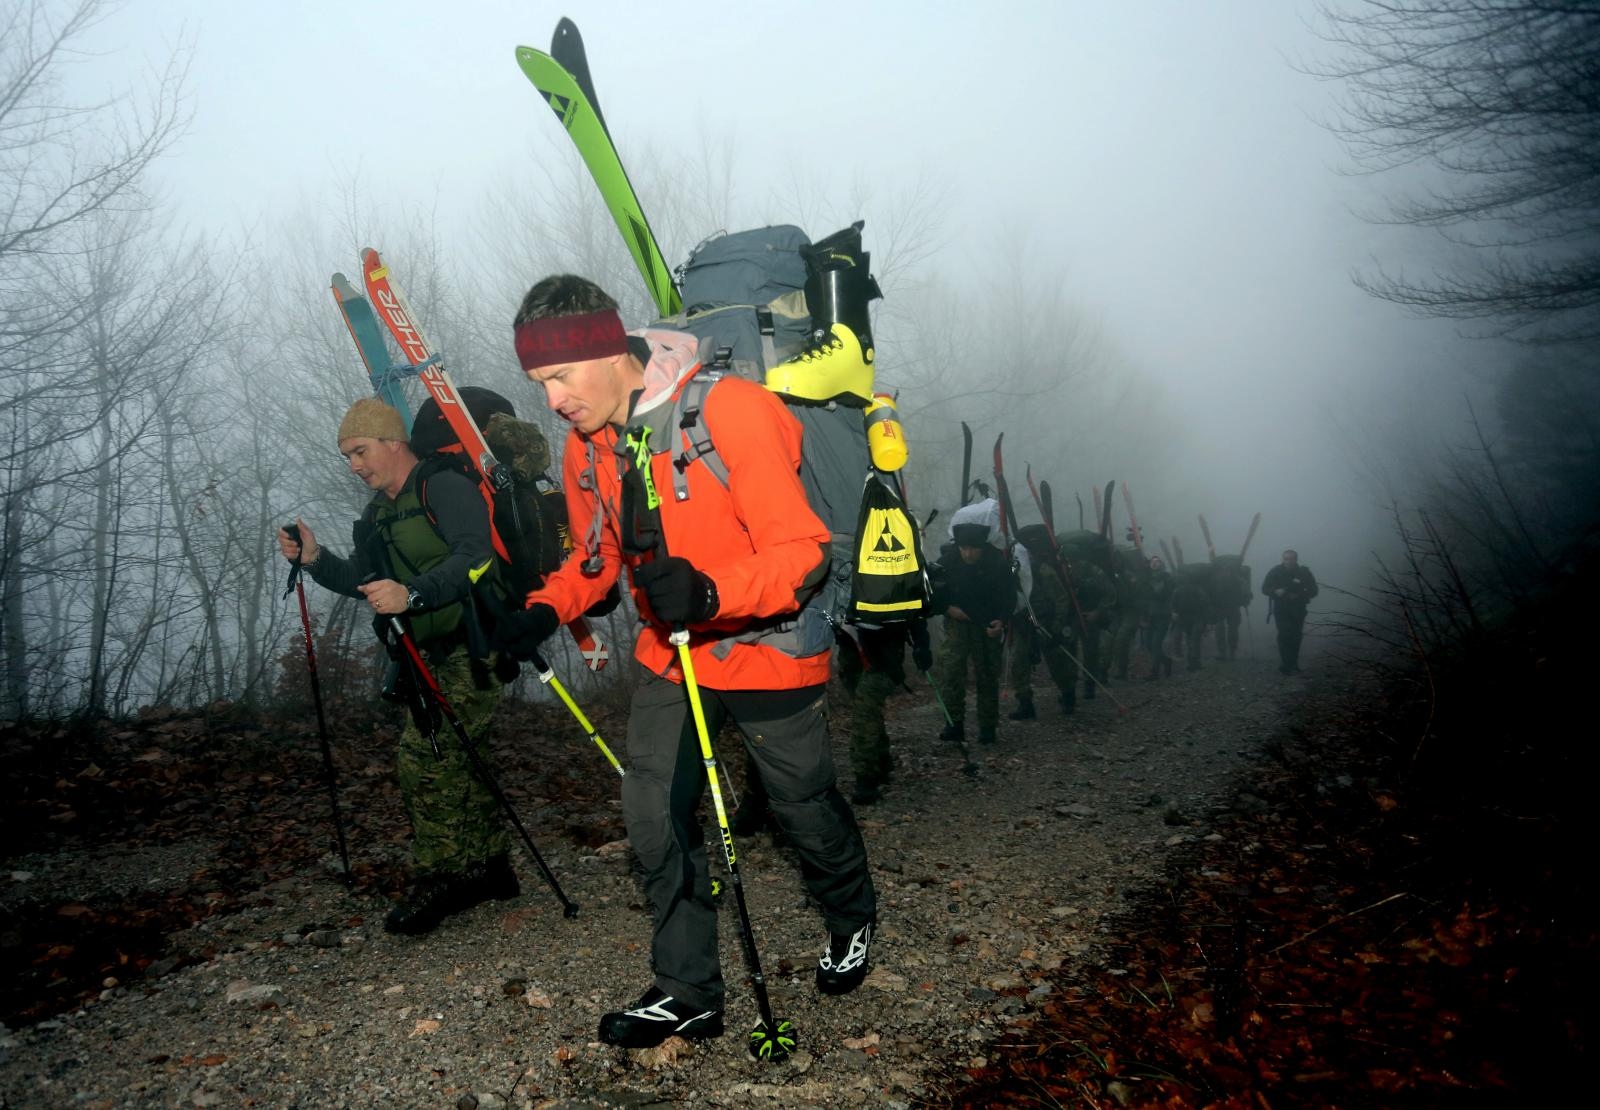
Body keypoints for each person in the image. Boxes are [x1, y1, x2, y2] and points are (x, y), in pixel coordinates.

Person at [494, 275, 877, 1050]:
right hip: (671, 657)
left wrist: (710, 592)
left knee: (803, 809)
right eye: (539, 384)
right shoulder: (586, 447)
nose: (552, 400)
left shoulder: (731, 410)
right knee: (653, 819)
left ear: (609, 349)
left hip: (766, 648)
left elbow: (801, 555)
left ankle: (851, 914)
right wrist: (544, 605)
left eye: (561, 377)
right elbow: (597, 561)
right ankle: (687, 990)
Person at [275, 398, 517, 936]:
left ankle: (444, 874)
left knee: (426, 757)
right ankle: (490, 867)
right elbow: (361, 579)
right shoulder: (378, 513)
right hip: (425, 654)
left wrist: (413, 593)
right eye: (346, 457)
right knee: (460, 756)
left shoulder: (443, 487)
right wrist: (314, 560)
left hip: (476, 642)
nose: (354, 465)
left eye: (360, 451)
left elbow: (476, 557)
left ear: (393, 441)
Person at [933, 520, 1014, 745]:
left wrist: (1001, 621)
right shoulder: (947, 562)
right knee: (951, 673)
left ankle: (988, 727)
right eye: (964, 548)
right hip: (957, 625)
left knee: (987, 675)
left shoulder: (996, 563)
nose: (968, 554)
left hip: (986, 624)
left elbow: (1009, 596)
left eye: (973, 549)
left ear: (982, 546)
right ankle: (953, 723)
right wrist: (948, 608)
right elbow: (932, 592)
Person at [1008, 525, 1080, 718]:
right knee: (1019, 663)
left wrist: (1056, 628)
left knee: (1058, 663)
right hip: (1024, 624)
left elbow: (1061, 599)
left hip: (1047, 623)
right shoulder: (1013, 571)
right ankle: (1025, 704)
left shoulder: (1043, 570)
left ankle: (1068, 696)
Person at [1262, 548, 1318, 674]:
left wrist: (1299, 596)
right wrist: (1275, 591)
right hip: (1281, 608)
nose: (1288, 561)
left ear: (1296, 559)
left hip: (1298, 608)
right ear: (1283, 559)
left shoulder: (1304, 572)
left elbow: (1314, 590)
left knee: (1296, 636)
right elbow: (1264, 588)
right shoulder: (1276, 571)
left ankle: (1293, 663)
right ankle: (1286, 664)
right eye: (1286, 559)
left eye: (1291, 559)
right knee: (1284, 635)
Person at [1140, 554, 1174, 679]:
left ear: (1162, 564)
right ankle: (1166, 661)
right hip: (1149, 616)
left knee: (1156, 644)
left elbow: (1164, 595)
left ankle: (1154, 671)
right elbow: (1142, 598)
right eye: (1153, 562)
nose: (1155, 563)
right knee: (1148, 644)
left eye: (1158, 561)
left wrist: (1150, 593)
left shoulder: (1167, 578)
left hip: (1163, 615)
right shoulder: (1146, 578)